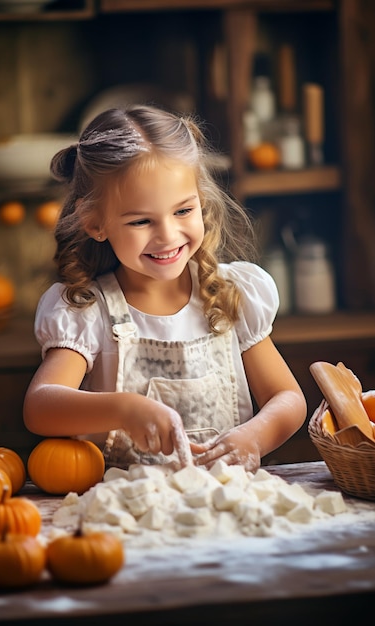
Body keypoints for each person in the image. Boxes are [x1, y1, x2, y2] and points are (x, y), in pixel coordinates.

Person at [23, 104, 307, 472]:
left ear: (201, 202)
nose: (168, 236)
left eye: (183, 211)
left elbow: (288, 398)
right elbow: (39, 407)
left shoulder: (229, 295)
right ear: (95, 223)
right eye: (141, 220)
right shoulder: (87, 310)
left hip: (224, 506)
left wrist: (255, 436)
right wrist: (123, 408)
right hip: (130, 513)